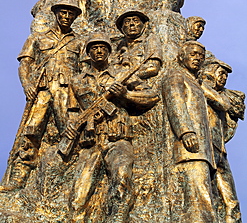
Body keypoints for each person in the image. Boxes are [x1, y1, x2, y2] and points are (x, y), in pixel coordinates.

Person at [65, 32, 159, 223]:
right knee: (78, 197)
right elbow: (72, 112)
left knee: (122, 180)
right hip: (90, 143)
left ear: (108, 51)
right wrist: (70, 125)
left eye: (102, 48)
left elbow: (152, 96)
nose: (98, 51)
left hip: (118, 138)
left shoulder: (121, 75)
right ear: (88, 52)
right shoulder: (77, 81)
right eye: (94, 48)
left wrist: (126, 95)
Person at [0, 0, 84, 192]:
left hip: (67, 93)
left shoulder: (79, 43)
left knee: (70, 132)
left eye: (70, 14)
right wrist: (27, 84)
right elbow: (25, 64)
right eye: (63, 12)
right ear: (56, 13)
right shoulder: (38, 39)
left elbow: (85, 71)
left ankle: (70, 177)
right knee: (30, 133)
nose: (66, 16)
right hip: (42, 92)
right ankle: (19, 178)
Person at [162, 41, 217, 223]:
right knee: (197, 196)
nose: (198, 59)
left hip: (203, 150)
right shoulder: (176, 76)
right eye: (193, 54)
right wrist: (185, 132)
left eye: (201, 56)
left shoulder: (195, 82)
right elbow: (175, 103)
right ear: (181, 56)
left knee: (203, 195)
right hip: (190, 149)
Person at [200, 59, 245, 223]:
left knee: (229, 196)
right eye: (221, 73)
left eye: (226, 75)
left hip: (219, 149)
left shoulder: (221, 95)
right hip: (203, 147)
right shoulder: (199, 88)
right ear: (210, 72)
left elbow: (232, 108)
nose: (224, 77)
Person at [115, 9, 162, 81]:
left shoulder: (150, 40)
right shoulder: (119, 46)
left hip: (142, 83)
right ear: (121, 28)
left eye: (136, 21)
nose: (131, 24)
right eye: (127, 22)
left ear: (144, 25)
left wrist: (129, 77)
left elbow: (153, 68)